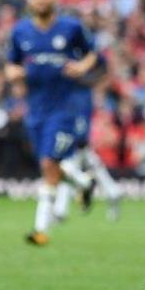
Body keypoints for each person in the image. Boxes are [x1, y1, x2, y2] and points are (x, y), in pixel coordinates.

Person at [5, 0, 100, 246]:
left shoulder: (71, 28)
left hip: (64, 108)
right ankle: (84, 183)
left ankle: (40, 230)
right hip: (36, 110)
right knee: (51, 166)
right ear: (29, 0)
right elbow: (11, 65)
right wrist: (14, 74)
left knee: (49, 164)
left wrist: (82, 67)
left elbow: (92, 54)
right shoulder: (20, 31)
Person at [54, 55, 123, 222]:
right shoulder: (82, 91)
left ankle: (61, 208)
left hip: (76, 141)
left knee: (64, 168)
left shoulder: (79, 92)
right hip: (80, 142)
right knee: (91, 168)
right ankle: (111, 191)